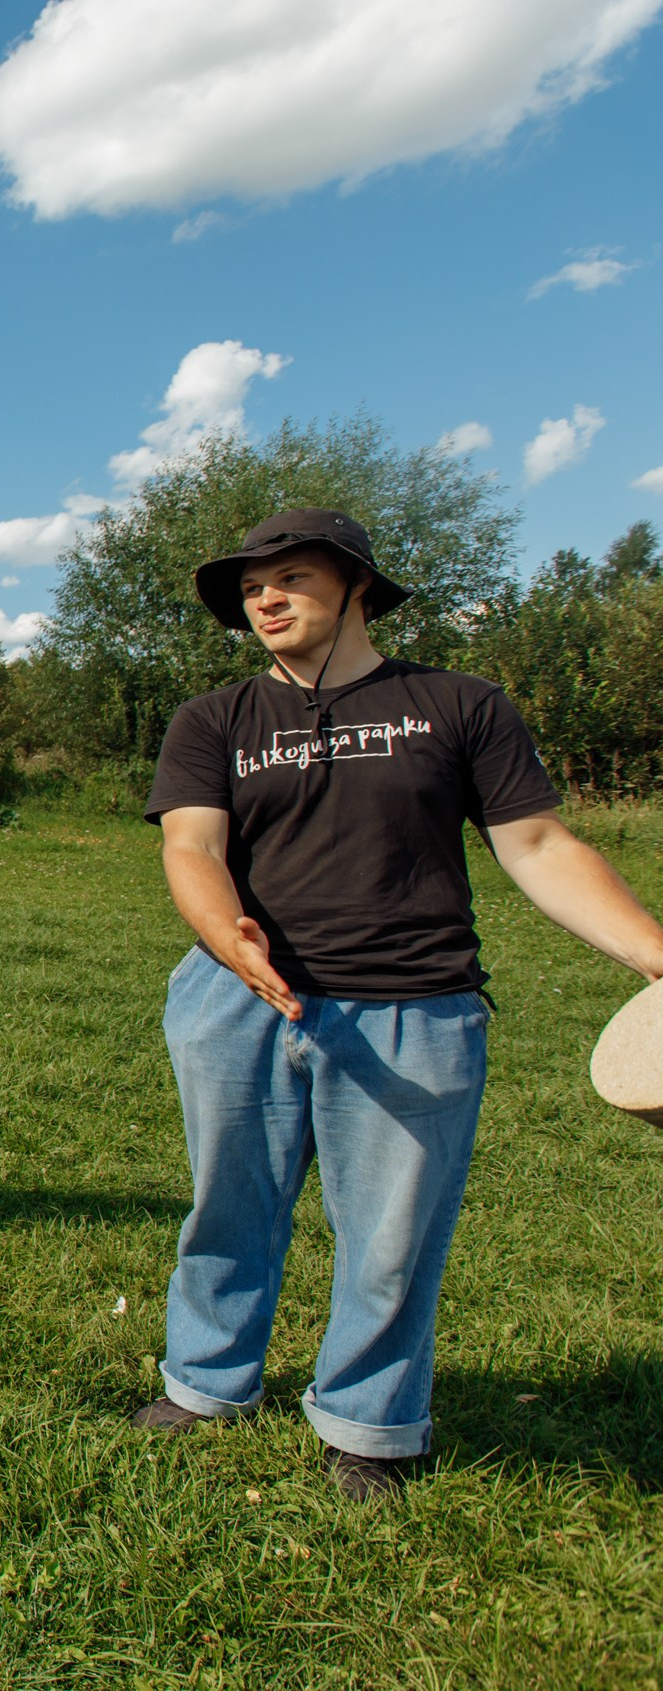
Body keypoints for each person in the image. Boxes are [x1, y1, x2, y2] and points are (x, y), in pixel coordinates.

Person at [139, 508, 663, 1500]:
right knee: (228, 1207)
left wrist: (653, 953)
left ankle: (369, 1427)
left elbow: (539, 848)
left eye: (289, 577)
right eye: (252, 587)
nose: (266, 598)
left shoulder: (457, 706)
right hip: (239, 1001)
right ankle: (205, 1384)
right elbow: (190, 847)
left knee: (391, 1235)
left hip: (411, 1007)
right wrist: (226, 930)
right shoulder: (215, 720)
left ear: (358, 588)